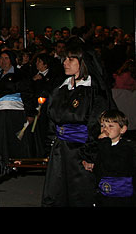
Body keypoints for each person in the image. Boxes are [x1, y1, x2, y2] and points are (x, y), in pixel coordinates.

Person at [41, 40, 113, 207]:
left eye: (70, 60)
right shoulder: (60, 88)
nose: (65, 63)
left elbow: (96, 125)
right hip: (60, 150)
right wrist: (50, 145)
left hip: (81, 150)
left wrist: (91, 155)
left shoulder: (94, 91)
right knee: (57, 192)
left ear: (83, 63)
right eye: (65, 59)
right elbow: (52, 120)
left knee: (80, 194)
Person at [82, 109, 136, 207]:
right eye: (103, 126)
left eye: (110, 126)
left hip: (121, 198)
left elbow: (112, 165)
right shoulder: (102, 146)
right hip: (103, 195)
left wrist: (104, 142)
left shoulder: (126, 148)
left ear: (122, 129)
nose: (105, 129)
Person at [0, 49, 36, 162]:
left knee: (14, 138)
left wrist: (30, 113)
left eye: (6, 58)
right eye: (1, 58)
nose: (3, 61)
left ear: (12, 60)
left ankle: (16, 163)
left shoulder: (20, 75)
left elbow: (28, 95)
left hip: (15, 112)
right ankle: (1, 162)